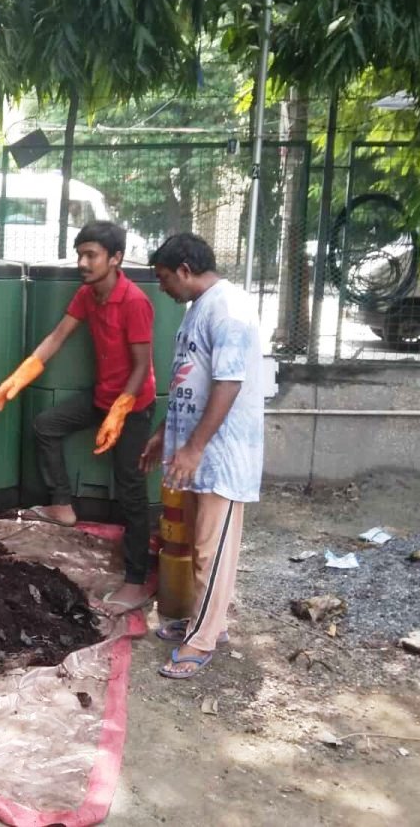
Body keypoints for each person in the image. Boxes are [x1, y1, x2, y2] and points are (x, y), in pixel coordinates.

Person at [0, 220, 157, 613]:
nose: (83, 262)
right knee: (45, 426)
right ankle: (62, 505)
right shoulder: (87, 295)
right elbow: (57, 337)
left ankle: (136, 581)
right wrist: (23, 372)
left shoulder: (134, 301)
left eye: (91, 255)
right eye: (80, 254)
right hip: (101, 398)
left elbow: (142, 365)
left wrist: (121, 410)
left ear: (115, 259)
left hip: (132, 404)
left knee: (130, 490)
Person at [140, 233, 264, 679]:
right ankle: (206, 621)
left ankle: (203, 639)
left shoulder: (228, 309)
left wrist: (193, 447)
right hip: (195, 453)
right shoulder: (199, 309)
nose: (163, 288)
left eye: (165, 278)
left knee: (212, 551)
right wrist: (163, 435)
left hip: (221, 456)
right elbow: (187, 381)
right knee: (198, 547)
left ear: (186, 269)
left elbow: (228, 383)